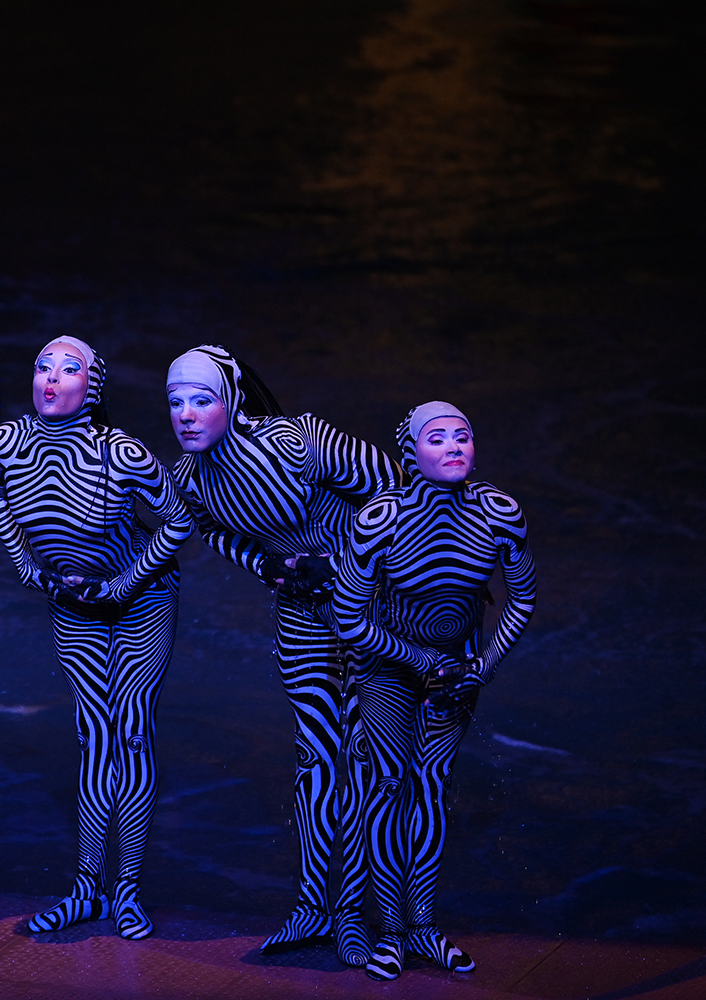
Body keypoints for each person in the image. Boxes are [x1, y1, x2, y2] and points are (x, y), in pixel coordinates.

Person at [166, 345, 398, 964]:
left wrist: (352, 565)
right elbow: (215, 532)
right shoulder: (188, 480)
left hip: (363, 608)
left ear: (233, 401)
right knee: (315, 759)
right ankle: (317, 908)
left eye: (202, 399)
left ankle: (362, 916)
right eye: (175, 402)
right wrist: (267, 563)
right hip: (299, 614)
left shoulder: (297, 443)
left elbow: (392, 488)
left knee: (364, 756)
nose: (186, 415)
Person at [0, 336, 191, 939]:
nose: (51, 377)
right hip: (73, 604)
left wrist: (125, 582)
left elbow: (177, 521)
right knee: (93, 738)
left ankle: (125, 890)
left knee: (129, 734)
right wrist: (27, 567)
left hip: (141, 603)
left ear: (91, 387)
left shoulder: (122, 454)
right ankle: (84, 888)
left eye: (69, 369)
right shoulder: (5, 444)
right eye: (43, 366)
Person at [332, 401, 535, 980]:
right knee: (388, 787)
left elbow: (521, 596)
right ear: (410, 454)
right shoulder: (380, 518)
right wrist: (421, 658)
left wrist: (485, 663)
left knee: (430, 787)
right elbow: (350, 619)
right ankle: (390, 932)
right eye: (437, 437)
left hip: (458, 672)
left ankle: (423, 926)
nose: (453, 446)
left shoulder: (500, 514)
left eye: (463, 436)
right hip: (389, 668)